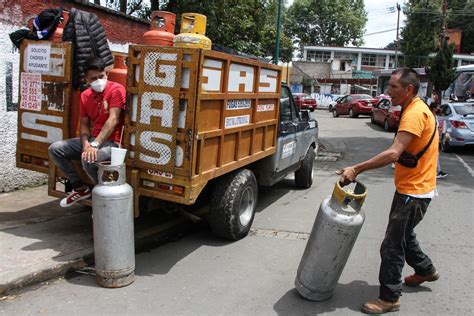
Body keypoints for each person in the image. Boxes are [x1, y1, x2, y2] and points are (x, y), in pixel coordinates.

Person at [338, 68, 439, 314]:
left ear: (409, 90)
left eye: (393, 87)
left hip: (413, 192)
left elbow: (394, 152)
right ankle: (426, 270)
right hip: (415, 188)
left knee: (392, 245)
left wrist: (356, 169)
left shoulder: (414, 113)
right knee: (405, 235)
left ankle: (390, 297)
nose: (388, 91)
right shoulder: (416, 108)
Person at [49, 56, 126, 207]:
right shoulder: (85, 95)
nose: (98, 81)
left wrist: (95, 144)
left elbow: (113, 119)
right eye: (93, 78)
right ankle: (80, 188)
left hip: (112, 143)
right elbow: (84, 123)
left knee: (89, 158)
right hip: (92, 140)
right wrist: (85, 144)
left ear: (107, 74)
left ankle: (103, 196)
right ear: (86, 79)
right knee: (55, 149)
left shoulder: (117, 89)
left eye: (101, 76)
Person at [428, 101, 448, 179]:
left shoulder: (435, 116)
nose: (439, 109)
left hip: (434, 139)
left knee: (435, 155)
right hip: (430, 139)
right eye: (438, 107)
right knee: (433, 155)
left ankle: (438, 171)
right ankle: (436, 172)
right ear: (434, 108)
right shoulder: (430, 116)